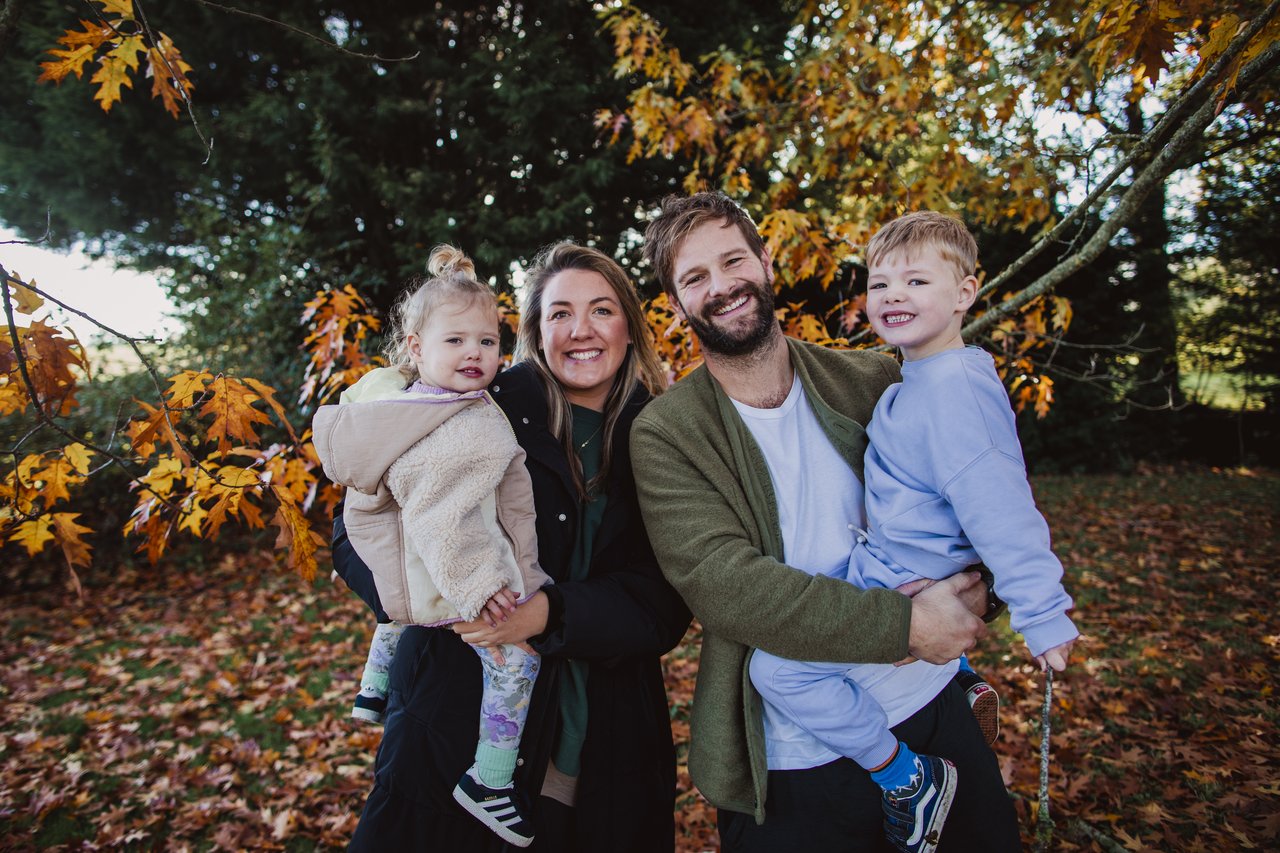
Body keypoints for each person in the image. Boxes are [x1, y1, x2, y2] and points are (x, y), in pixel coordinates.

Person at [630, 192, 1021, 852]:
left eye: (733, 261)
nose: (722, 287)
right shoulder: (667, 434)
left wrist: (986, 586)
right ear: (675, 304)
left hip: (932, 715)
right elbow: (730, 587)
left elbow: (978, 482)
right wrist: (904, 624)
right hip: (795, 761)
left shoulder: (871, 377)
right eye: (695, 278)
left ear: (766, 261)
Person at [334, 242, 692, 852]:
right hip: (452, 719)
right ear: (533, 332)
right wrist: (445, 599)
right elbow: (357, 529)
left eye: (602, 310)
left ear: (630, 328)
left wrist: (547, 614)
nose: (581, 330)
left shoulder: (665, 433)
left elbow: (666, 601)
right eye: (559, 314)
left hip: (605, 739)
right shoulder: (476, 404)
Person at [746, 211, 1079, 852]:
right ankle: (960, 681)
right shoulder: (919, 377)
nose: (894, 296)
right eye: (879, 285)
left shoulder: (952, 390)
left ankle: (907, 778)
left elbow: (1002, 505)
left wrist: (1042, 611)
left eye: (917, 281)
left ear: (965, 294)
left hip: (903, 576)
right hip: (890, 563)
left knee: (778, 672)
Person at [313, 246, 554, 846]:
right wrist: (483, 591)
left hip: (402, 571)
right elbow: (444, 519)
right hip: (448, 578)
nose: (475, 353)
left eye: (489, 342)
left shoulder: (399, 403)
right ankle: (490, 781)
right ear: (417, 348)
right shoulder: (461, 425)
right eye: (457, 342)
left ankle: (373, 686)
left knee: (399, 607)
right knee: (519, 662)